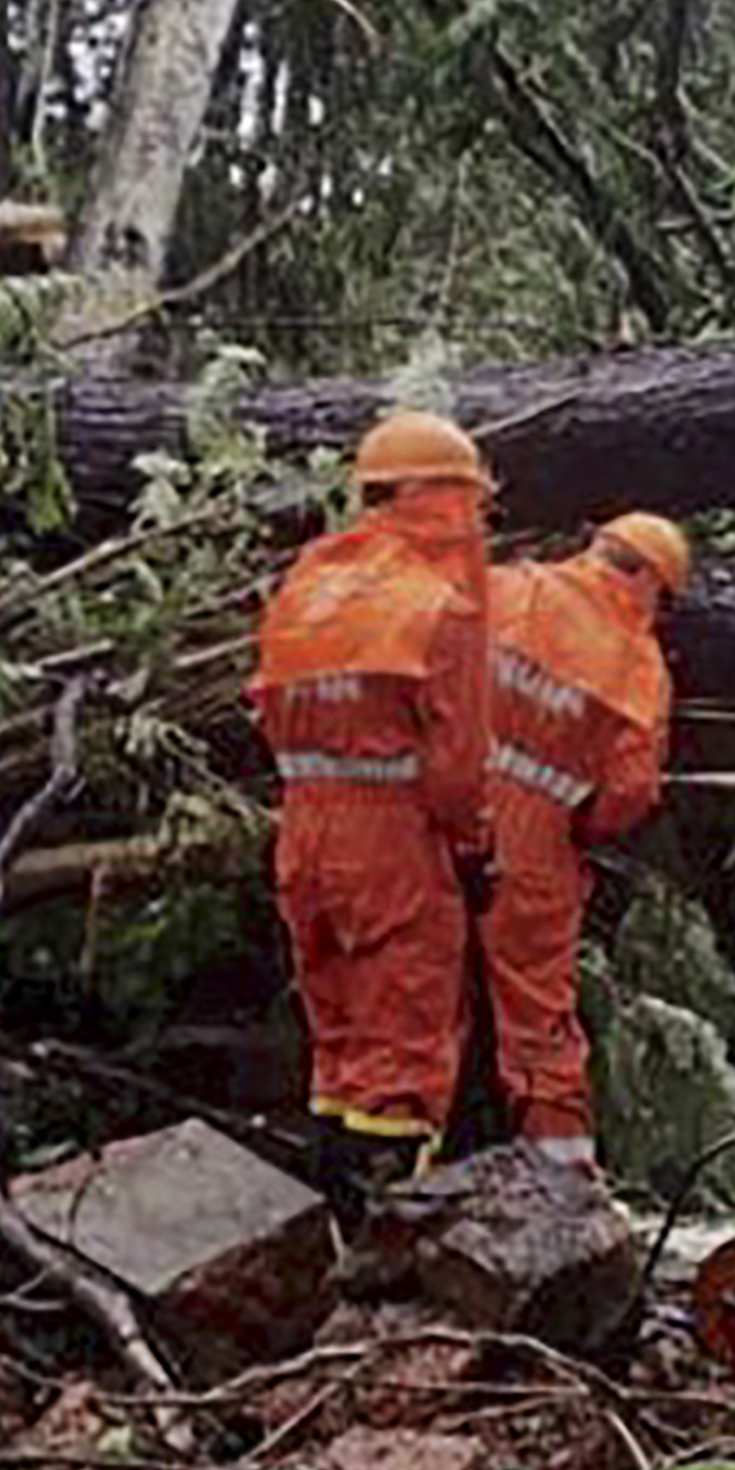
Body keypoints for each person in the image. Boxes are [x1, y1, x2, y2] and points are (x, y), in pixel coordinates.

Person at [250, 409, 495, 1195]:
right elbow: (457, 771)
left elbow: (268, 711)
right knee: (405, 1035)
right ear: (451, 498)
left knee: (340, 1027)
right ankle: (387, 1230)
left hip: (303, 831)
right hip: (391, 841)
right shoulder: (440, 605)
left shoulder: (309, 584)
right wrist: (474, 844)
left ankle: (326, 1214)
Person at [477, 513, 686, 1172]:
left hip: (428, 813)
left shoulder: (505, 587)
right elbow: (628, 793)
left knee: (407, 993)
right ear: (652, 583)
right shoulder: (639, 668)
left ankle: (383, 1182)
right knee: (538, 1019)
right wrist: (576, 825)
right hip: (530, 845)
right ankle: (563, 1182)